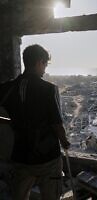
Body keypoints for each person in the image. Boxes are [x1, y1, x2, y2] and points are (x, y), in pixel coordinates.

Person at [0, 44, 70, 200]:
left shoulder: (7, 88)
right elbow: (57, 124)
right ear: (39, 62)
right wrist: (65, 141)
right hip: (48, 158)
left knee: (19, 196)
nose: (45, 70)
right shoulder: (48, 89)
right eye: (45, 64)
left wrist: (8, 122)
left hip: (20, 156)